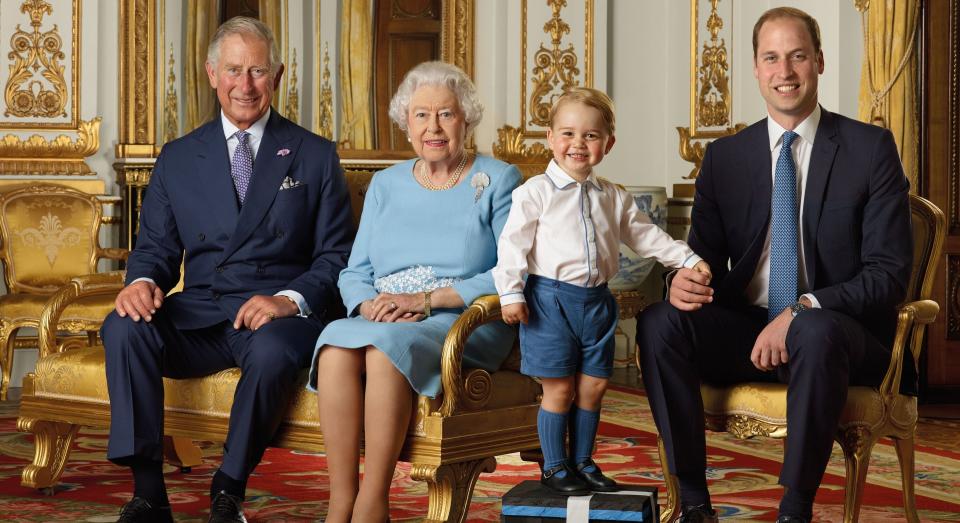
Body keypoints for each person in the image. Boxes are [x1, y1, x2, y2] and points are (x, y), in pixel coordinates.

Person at [636, 7, 913, 523]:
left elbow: (887, 274)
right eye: (771, 58)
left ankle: (794, 510)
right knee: (659, 321)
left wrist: (804, 308)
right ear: (756, 69)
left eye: (797, 56)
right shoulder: (724, 157)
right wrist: (681, 283)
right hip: (750, 330)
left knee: (816, 330)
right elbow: (704, 259)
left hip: (840, 334)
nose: (784, 71)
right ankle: (694, 502)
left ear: (820, 63)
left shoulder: (869, 149)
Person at [101, 17, 354, 523]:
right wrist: (142, 283)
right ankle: (149, 492)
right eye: (234, 70)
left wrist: (290, 300)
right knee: (122, 327)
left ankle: (228, 489)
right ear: (212, 73)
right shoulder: (177, 157)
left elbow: (337, 257)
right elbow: (154, 248)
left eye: (257, 71)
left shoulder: (315, 155)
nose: (245, 85)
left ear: (277, 76)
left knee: (276, 348)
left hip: (276, 314)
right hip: (201, 311)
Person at [309, 61, 521, 522]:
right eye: (421, 115)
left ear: (466, 119)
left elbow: (511, 271)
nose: (434, 127)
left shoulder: (498, 179)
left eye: (446, 114)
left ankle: (372, 501)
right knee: (334, 347)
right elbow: (354, 270)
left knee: (383, 349)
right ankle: (341, 498)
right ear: (407, 124)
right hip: (385, 316)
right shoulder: (386, 184)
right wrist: (368, 304)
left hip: (461, 319)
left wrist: (426, 301)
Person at [493, 87, 710, 495]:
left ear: (608, 143)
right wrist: (510, 294)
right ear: (551, 139)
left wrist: (685, 258)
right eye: (568, 134)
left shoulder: (612, 196)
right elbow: (512, 246)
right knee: (558, 387)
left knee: (593, 386)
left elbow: (646, 237)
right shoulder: (533, 193)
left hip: (597, 303)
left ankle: (583, 461)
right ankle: (554, 466)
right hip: (549, 301)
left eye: (591, 136)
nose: (578, 144)